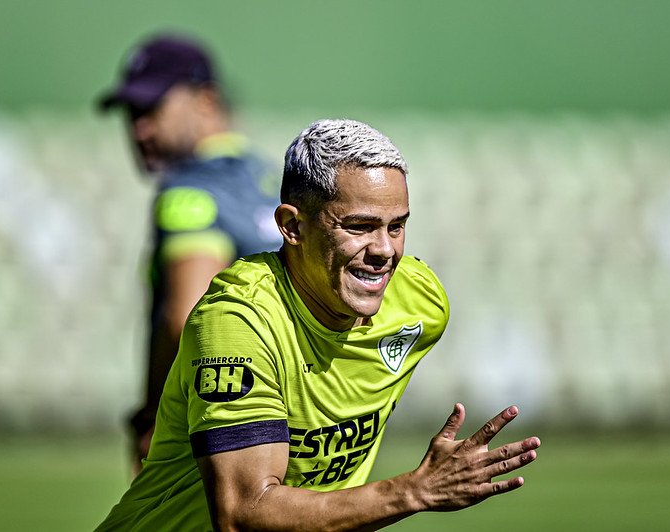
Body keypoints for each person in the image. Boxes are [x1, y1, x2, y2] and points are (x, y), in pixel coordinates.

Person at [96, 119, 540, 531]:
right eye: (360, 226)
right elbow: (243, 514)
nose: (384, 250)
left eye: (397, 226)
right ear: (292, 226)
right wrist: (415, 491)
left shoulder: (420, 303)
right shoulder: (238, 321)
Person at [96, 33, 282, 475]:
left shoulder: (189, 192)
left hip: (210, 433)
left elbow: (186, 319)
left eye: (151, 109)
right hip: (292, 425)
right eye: (130, 114)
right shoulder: (271, 182)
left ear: (206, 101)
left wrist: (154, 417)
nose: (138, 130)